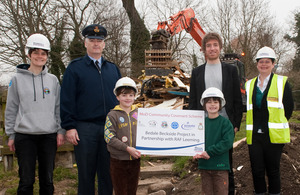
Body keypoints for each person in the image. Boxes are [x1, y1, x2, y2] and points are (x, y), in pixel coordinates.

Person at [60, 24, 121, 195]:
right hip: (84, 128)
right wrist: (69, 126)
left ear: (104, 44)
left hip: (110, 128)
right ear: (85, 43)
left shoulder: (113, 69)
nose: (96, 43)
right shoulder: (74, 68)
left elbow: (122, 98)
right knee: (86, 174)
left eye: (99, 41)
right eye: (92, 40)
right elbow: (67, 99)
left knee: (108, 173)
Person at [5, 33, 65, 194]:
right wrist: (11, 135)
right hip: (25, 136)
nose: (40, 56)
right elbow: (11, 108)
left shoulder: (53, 80)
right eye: (36, 52)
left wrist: (60, 131)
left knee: (47, 180)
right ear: (29, 54)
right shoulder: (16, 80)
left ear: (47, 56)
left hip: (49, 136)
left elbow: (58, 107)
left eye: (43, 53)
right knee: (26, 180)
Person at [189, 32, 243, 194]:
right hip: (202, 124)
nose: (212, 48)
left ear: (220, 47)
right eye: (208, 46)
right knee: (205, 164)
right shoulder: (197, 72)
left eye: (215, 45)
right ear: (203, 49)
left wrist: (235, 124)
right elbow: (193, 101)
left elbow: (236, 99)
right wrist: (192, 127)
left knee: (226, 163)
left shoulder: (230, 70)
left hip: (225, 124)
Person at [245, 46, 294, 195]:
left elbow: (289, 108)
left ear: (273, 64)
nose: (264, 64)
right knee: (257, 170)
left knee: (273, 170)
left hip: (273, 136)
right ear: (257, 64)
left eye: (267, 62)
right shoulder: (250, 84)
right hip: (255, 136)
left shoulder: (281, 82)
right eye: (261, 61)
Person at [104, 77, 141, 195]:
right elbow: (109, 137)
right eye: (124, 95)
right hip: (118, 160)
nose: (128, 98)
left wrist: (145, 147)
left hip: (135, 160)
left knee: (132, 190)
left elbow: (146, 133)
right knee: (121, 191)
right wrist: (126, 148)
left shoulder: (140, 113)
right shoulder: (112, 115)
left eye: (131, 95)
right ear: (117, 97)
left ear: (135, 96)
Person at [193, 87, 234, 195]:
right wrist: (194, 152)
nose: (212, 105)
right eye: (209, 102)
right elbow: (194, 141)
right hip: (205, 166)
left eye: (215, 102)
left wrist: (209, 152)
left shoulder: (225, 123)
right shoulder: (200, 124)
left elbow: (227, 142)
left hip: (220, 167)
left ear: (220, 104)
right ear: (204, 105)